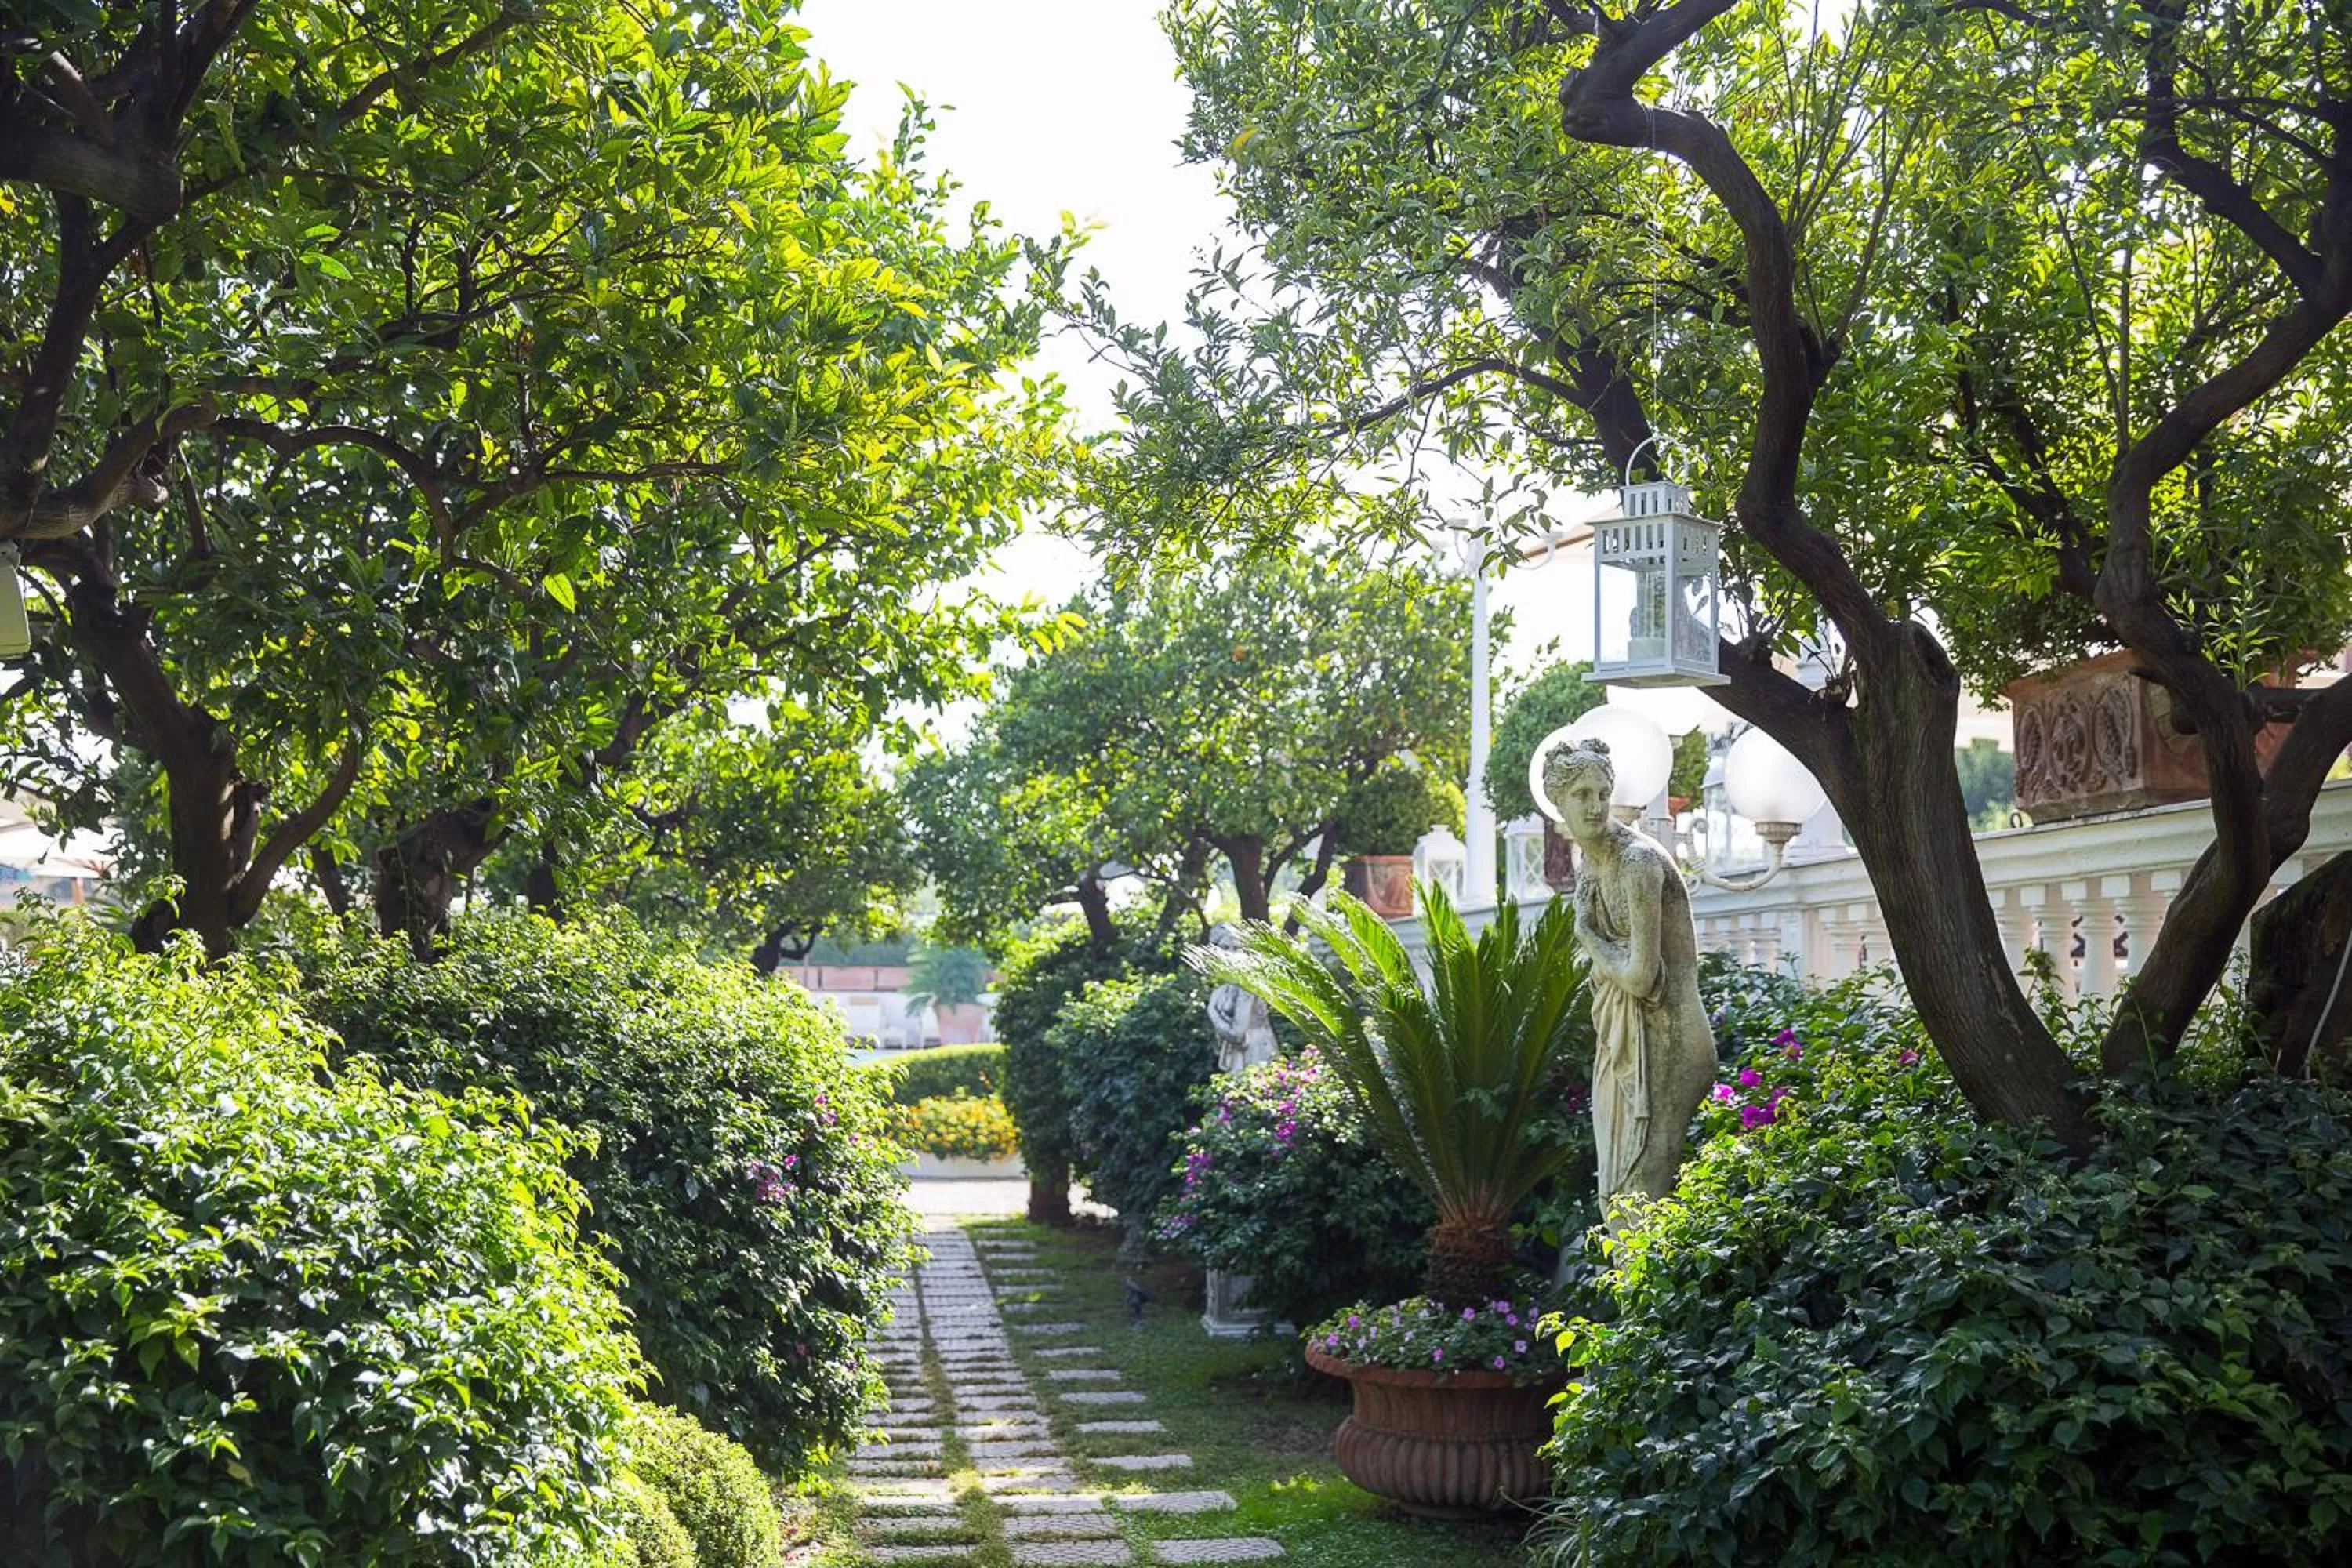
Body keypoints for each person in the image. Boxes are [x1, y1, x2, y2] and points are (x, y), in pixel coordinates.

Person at [1543, 738, 1717, 1221]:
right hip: (1622, 1040)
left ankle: (1655, 1298)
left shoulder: (1636, 861)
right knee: (1614, 1202)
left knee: (1638, 1202)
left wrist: (1586, 934)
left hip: (1670, 1042)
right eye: (1581, 795)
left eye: (1602, 792)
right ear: (1558, 801)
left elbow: (1641, 978)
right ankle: (1640, 1299)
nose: (1596, 806)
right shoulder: (1590, 864)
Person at [1203, 922, 1278, 1073]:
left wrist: (1213, 1013)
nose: (1231, 953)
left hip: (1255, 1053)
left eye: (1237, 948)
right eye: (1224, 948)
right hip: (1240, 1055)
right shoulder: (1225, 988)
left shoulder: (1247, 985)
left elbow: (1238, 1034)